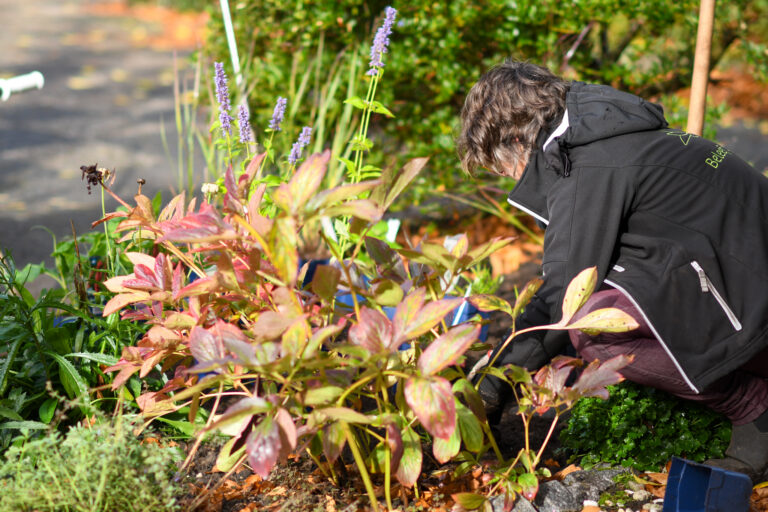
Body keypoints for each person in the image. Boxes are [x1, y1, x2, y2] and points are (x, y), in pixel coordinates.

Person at [457, 60, 768, 482]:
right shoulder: (601, 128)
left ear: (515, 139)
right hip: (744, 262)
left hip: (747, 276)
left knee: (592, 324)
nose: (506, 179)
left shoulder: (587, 169)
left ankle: (753, 407)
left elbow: (562, 299)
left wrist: (495, 385)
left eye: (500, 167)